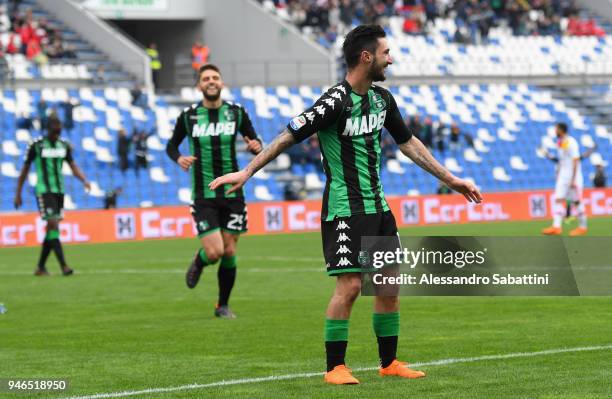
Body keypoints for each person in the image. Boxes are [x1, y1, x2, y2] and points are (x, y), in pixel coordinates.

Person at [209, 25, 482, 384]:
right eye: (386, 52)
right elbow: (289, 135)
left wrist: (450, 179)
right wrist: (246, 172)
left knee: (388, 284)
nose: (391, 58)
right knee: (351, 286)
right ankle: (335, 367)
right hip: (343, 209)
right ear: (366, 57)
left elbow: (408, 142)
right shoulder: (334, 101)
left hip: (378, 208)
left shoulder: (382, 100)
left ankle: (389, 362)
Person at [166, 64, 263, 319]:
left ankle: (222, 305)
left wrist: (255, 146)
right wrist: (179, 158)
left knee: (230, 251)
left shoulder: (236, 113)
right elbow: (171, 146)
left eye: (215, 78)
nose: (211, 81)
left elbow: (255, 142)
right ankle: (200, 260)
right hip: (203, 194)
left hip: (233, 191)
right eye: (206, 78)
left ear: (221, 83)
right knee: (215, 252)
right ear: (199, 86)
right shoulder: (188, 117)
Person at [14, 117, 91, 276]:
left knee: (51, 229)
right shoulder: (36, 145)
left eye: (59, 131)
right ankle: (64, 266)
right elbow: (25, 169)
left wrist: (84, 180)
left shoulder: (64, 145)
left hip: (59, 191)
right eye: (55, 130)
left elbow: (73, 165)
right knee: (53, 224)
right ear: (48, 128)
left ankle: (41, 267)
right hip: (44, 190)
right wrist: (18, 193)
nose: (57, 134)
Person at [542, 122, 587, 236]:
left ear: (561, 130)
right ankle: (556, 227)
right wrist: (558, 174)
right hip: (563, 176)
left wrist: (573, 179)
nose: (555, 131)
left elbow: (576, 160)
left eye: (556, 129)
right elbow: (562, 161)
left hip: (573, 177)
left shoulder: (571, 142)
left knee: (576, 201)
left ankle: (583, 227)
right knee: (558, 199)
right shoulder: (560, 142)